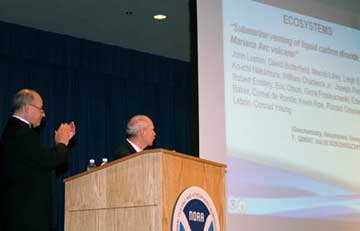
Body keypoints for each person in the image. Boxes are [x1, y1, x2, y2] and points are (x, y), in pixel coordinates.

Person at [0, 89, 76, 231]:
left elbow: (40, 160)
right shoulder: (21, 133)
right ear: (27, 109)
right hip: (25, 218)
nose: (43, 114)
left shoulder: (15, 130)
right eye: (41, 109)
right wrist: (62, 142)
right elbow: (51, 160)